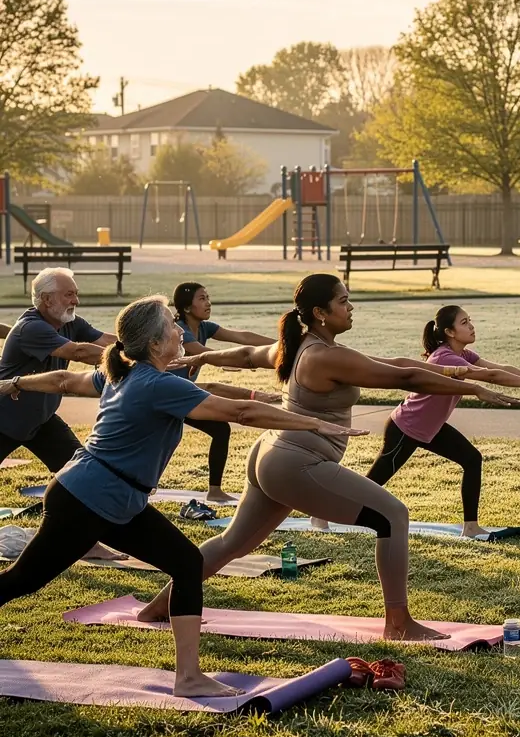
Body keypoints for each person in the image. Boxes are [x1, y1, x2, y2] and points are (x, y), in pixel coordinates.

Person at [0, 294, 357, 697]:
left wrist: (13, 383)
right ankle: (188, 676)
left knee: (181, 564)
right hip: (90, 499)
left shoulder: (128, 372)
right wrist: (314, 424)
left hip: (101, 496)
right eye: (172, 325)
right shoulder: (154, 382)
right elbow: (239, 415)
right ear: (155, 344)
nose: (179, 330)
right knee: (24, 582)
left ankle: (189, 676)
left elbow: (65, 380)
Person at [137, 274, 520, 641]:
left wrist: (202, 359)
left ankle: (159, 607)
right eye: (343, 300)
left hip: (273, 455)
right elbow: (403, 378)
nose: (350, 307)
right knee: (393, 516)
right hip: (296, 463)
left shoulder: (299, 345)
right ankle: (399, 622)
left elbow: (250, 355)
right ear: (321, 312)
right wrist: (471, 387)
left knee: (232, 543)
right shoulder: (322, 355)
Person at [365, 304, 520, 537]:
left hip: (430, 427)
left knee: (472, 459)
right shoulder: (447, 358)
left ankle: (470, 527)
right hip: (406, 428)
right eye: (464, 323)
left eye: (470, 320)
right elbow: (490, 376)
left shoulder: (463, 355)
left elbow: (498, 367)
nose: (471, 326)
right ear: (449, 332)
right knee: (374, 483)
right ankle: (326, 513)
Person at [170, 281, 278, 503]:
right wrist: (234, 360)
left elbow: (243, 337)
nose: (208, 303)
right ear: (187, 308)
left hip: (183, 396)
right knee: (166, 438)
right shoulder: (180, 332)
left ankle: (215, 490)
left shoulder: (204, 328)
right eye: (202, 299)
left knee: (220, 430)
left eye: (208, 297)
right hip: (168, 395)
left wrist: (281, 346)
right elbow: (204, 354)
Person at [0, 269, 114, 472]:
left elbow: (106, 341)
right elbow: (78, 352)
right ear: (47, 299)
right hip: (4, 421)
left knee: (81, 472)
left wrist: (145, 348)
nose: (76, 301)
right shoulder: (32, 327)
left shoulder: (70, 322)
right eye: (69, 294)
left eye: (76, 293)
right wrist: (129, 359)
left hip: (40, 422)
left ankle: (64, 503)